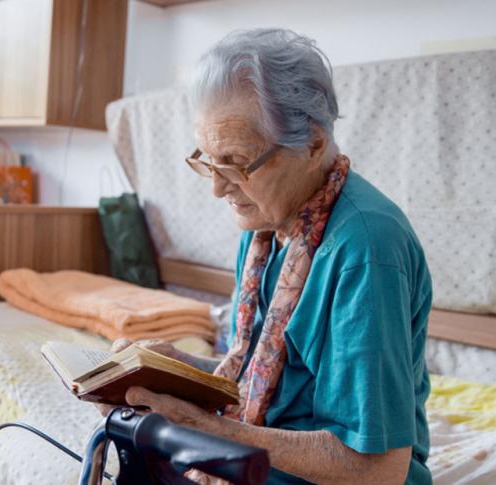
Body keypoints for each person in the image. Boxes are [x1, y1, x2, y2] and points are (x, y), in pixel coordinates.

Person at [100, 29, 432, 484]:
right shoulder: (264, 227)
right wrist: (169, 369)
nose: (217, 186)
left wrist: (205, 426)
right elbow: (262, 378)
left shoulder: (366, 250)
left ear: (313, 144)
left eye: (235, 162)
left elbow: (378, 469)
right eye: (207, 159)